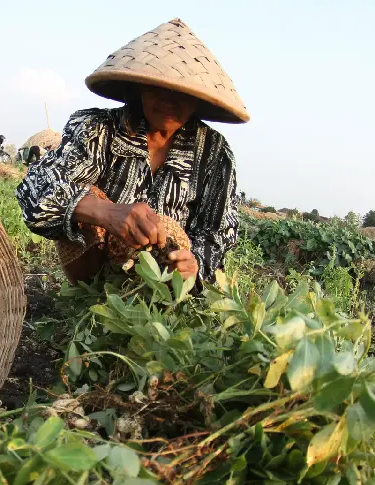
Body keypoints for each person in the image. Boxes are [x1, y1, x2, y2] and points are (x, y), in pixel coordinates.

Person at [15, 18, 249, 286]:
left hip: (166, 286)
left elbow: (219, 232)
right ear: (139, 87)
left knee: (172, 232)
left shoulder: (213, 153)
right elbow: (34, 191)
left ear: (198, 100)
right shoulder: (98, 129)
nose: (169, 101)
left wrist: (195, 262)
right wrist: (104, 212)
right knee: (87, 197)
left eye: (182, 93)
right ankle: (94, 299)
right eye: (159, 87)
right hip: (97, 281)